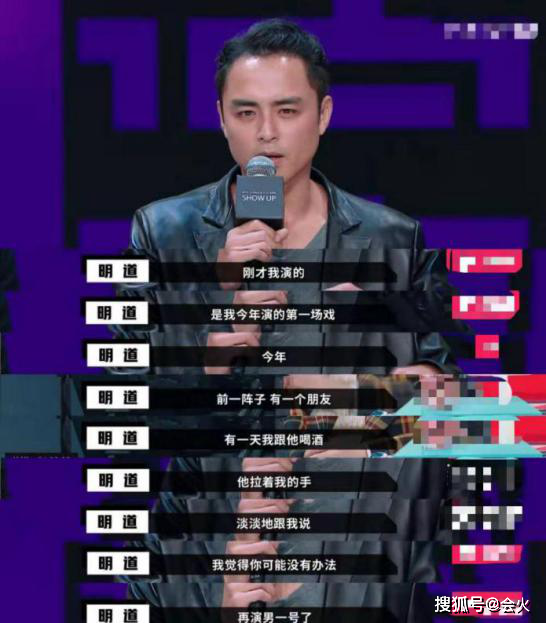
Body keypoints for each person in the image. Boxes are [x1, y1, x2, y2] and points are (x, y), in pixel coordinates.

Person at [118, 18, 461, 623]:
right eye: (246, 112)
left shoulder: (392, 238)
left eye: (287, 110)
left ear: (322, 115)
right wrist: (212, 332)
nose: (267, 134)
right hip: (216, 559)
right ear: (221, 118)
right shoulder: (164, 233)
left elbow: (455, 416)